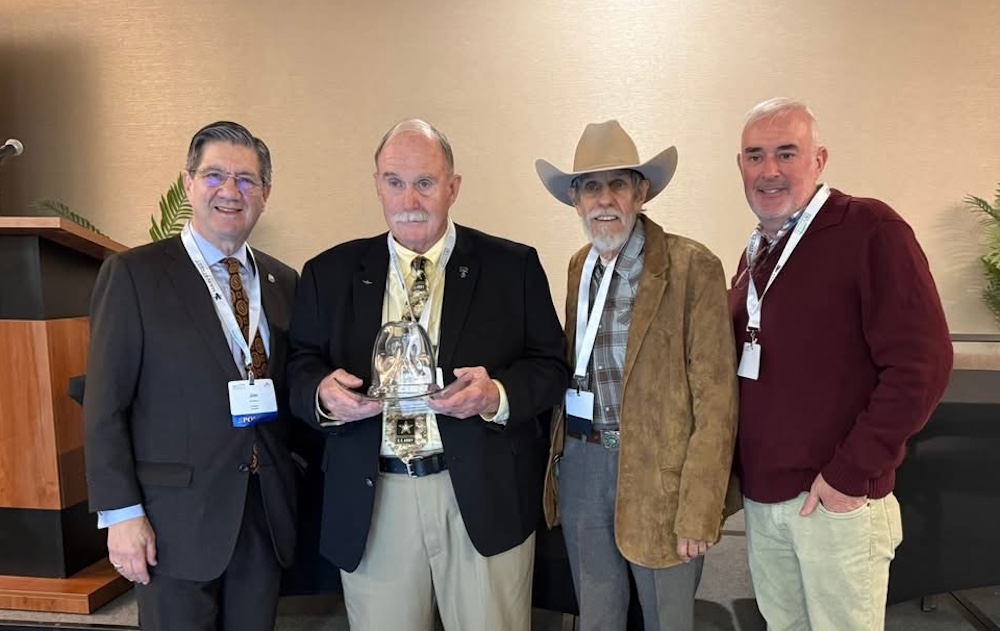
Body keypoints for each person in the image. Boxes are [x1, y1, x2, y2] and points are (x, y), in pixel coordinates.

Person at [287, 119, 568, 631]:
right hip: (376, 499)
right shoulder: (328, 273)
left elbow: (550, 367)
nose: (409, 198)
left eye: (425, 182)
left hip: (481, 496)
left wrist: (496, 395)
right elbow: (300, 364)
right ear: (376, 185)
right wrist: (323, 395)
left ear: (453, 187)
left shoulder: (512, 266)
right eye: (394, 181)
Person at [729, 97, 953, 631]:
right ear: (740, 166)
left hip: (835, 499)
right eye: (755, 156)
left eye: (787, 153)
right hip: (766, 499)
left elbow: (922, 364)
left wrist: (852, 473)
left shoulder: (869, 229)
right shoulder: (754, 252)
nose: (770, 171)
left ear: (819, 159)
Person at [84, 121, 299, 631]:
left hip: (262, 517)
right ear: (189, 183)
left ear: (265, 193)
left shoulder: (284, 280)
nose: (231, 191)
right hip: (170, 523)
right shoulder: (134, 274)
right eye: (215, 175)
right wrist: (121, 515)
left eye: (247, 180)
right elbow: (105, 405)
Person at [536, 120, 739, 631]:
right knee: (597, 616)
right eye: (590, 187)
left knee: (667, 617)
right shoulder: (579, 266)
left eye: (618, 185)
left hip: (659, 472)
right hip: (583, 465)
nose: (604, 200)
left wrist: (699, 507)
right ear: (575, 200)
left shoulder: (693, 267)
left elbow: (717, 401)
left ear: (641, 192)